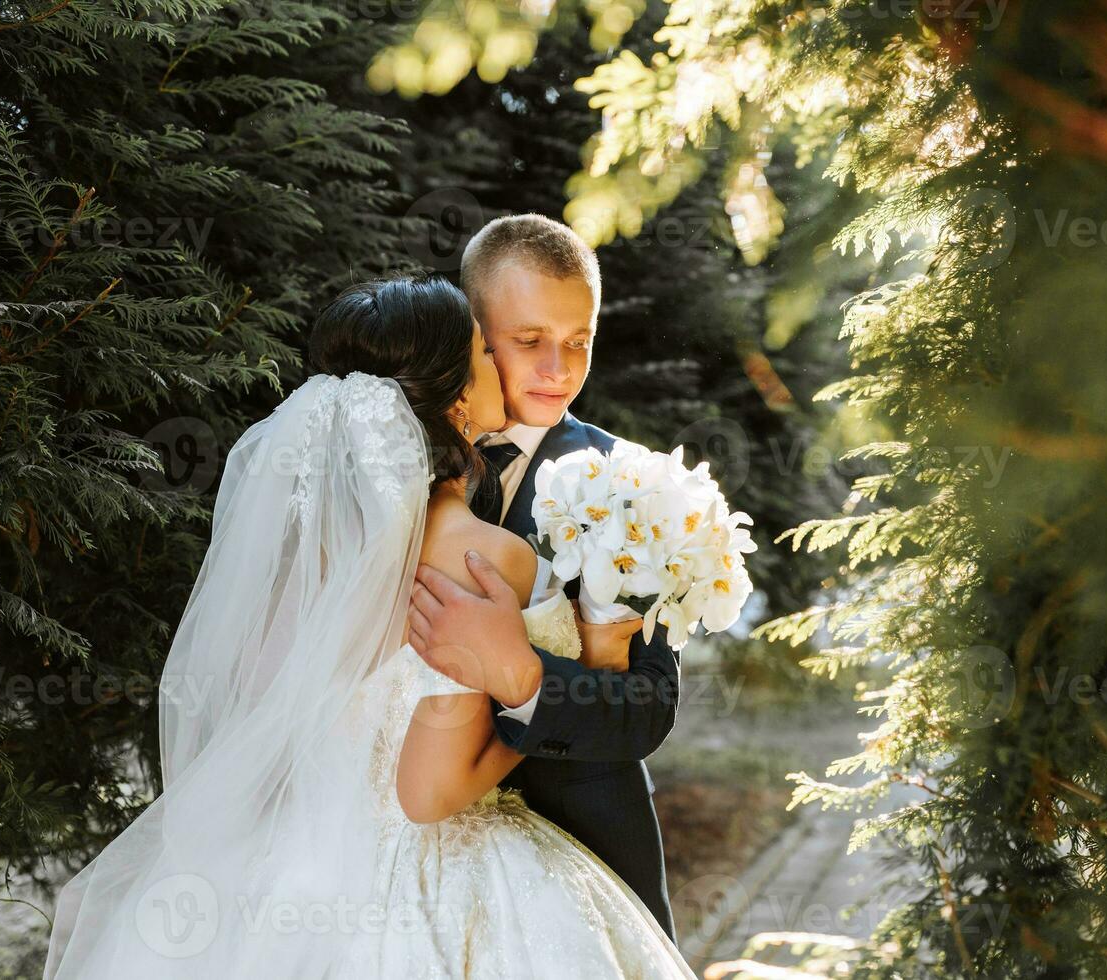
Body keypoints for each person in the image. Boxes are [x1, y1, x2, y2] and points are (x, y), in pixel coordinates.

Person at [42, 275, 696, 978]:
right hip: (440, 873)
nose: (510, 366)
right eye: (487, 350)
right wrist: (531, 689)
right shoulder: (486, 556)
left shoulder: (315, 556)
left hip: (302, 863)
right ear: (453, 398)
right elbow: (427, 793)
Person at [409, 213, 679, 937]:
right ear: (472, 327)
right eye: (529, 341)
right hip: (406, 859)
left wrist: (524, 676)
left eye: (579, 344)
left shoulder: (629, 487)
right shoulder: (387, 464)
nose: (558, 369)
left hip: (585, 860)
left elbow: (648, 708)